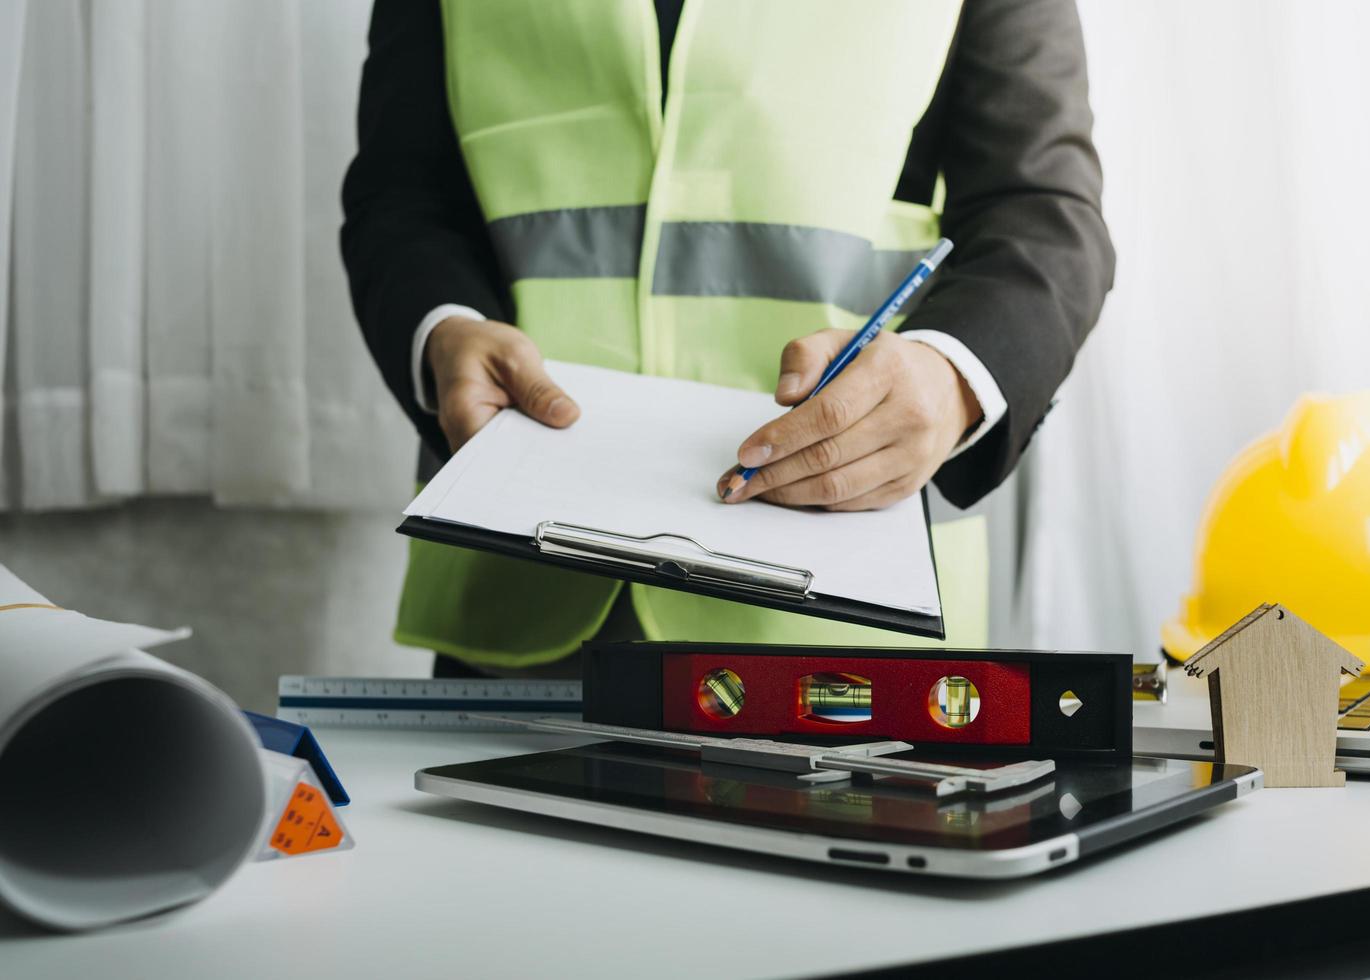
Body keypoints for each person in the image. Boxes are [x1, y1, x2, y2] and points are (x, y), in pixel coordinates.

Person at [341, 0, 1114, 678]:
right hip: (517, 581)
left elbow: (1043, 213)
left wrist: (949, 374)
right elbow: (400, 194)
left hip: (847, 604)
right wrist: (443, 328)